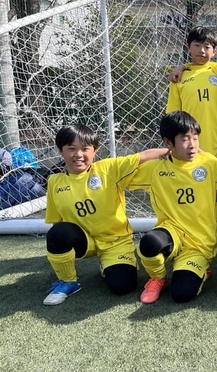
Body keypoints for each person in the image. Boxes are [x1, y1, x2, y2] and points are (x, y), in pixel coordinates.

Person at [43, 124, 168, 306]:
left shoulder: (108, 169)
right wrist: (60, 248)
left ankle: (108, 264)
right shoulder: (55, 182)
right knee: (58, 232)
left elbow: (143, 156)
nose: (78, 154)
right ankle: (68, 282)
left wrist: (174, 151)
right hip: (85, 241)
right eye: (71, 149)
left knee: (122, 287)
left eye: (85, 148)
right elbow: (56, 223)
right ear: (61, 151)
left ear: (95, 151)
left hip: (115, 242)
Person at [128, 111, 217, 304]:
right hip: (172, 232)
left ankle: (201, 269)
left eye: (195, 138)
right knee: (149, 243)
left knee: (181, 294)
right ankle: (158, 278)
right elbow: (114, 175)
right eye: (185, 139)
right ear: (168, 143)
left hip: (199, 243)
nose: (192, 145)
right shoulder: (155, 168)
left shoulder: (210, 163)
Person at [166, 26, 217, 158]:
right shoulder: (179, 77)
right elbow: (173, 114)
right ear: (189, 47)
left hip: (216, 142)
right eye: (197, 45)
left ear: (214, 51)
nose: (201, 50)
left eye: (207, 47)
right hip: (187, 144)